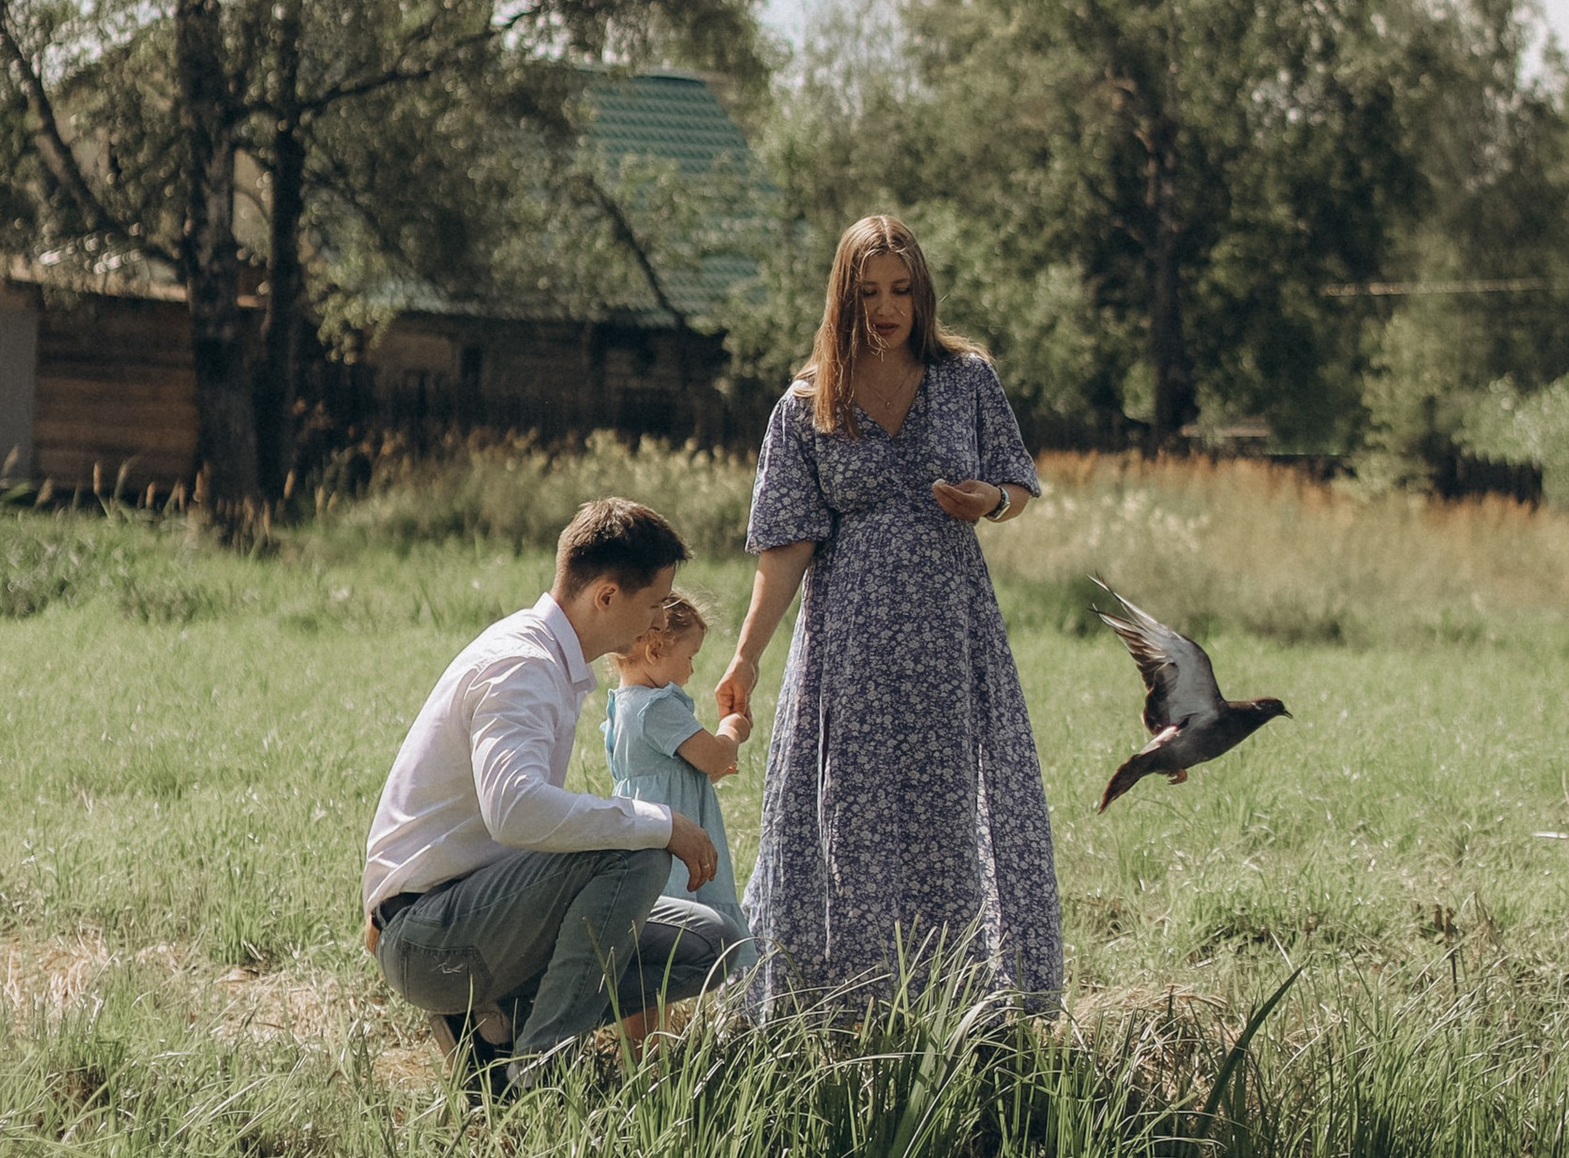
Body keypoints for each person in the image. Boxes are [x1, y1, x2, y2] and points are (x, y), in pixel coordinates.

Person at [716, 215, 1063, 1010]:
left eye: (901, 289)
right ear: (844, 295)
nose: (887, 306)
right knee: (849, 813)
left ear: (922, 292)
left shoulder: (966, 378)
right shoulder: (808, 405)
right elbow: (786, 545)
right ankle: (842, 1002)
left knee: (948, 811)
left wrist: (992, 500)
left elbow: (1017, 482)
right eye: (869, 291)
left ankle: (963, 1000)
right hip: (850, 643)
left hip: (950, 631)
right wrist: (746, 657)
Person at [365, 496, 740, 1090]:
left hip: (473, 916)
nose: (652, 625)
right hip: (431, 938)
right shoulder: (522, 664)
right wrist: (660, 822)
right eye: (649, 605)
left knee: (710, 941)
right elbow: (514, 808)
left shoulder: (547, 659)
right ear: (607, 597)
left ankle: (498, 1026)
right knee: (637, 849)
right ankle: (541, 1069)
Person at [605, 590, 751, 936]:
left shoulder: (623, 706)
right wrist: (733, 728)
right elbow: (713, 756)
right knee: (685, 922)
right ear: (655, 651)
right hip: (671, 842)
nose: (692, 668)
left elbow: (674, 772)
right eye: (689, 656)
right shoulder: (655, 706)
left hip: (645, 832)